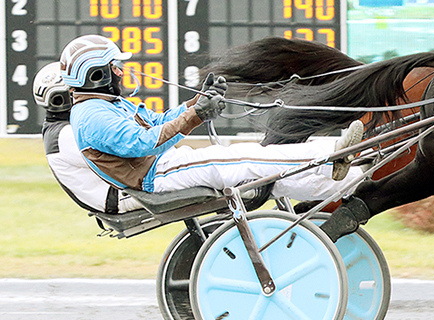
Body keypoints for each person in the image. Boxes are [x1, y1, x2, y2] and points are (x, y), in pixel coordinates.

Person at [58, 34, 364, 203]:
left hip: (165, 166)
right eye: (114, 67)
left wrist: (197, 102)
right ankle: (328, 157)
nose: (120, 72)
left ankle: (348, 185)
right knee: (246, 158)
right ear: (96, 75)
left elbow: (159, 120)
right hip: (158, 176)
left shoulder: (105, 105)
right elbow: (144, 143)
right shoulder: (91, 115)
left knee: (263, 177)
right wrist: (195, 116)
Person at [34, 62, 145, 213]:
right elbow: (123, 155)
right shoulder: (64, 135)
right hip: (119, 196)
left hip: (119, 191)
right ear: (66, 97)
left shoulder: (60, 128)